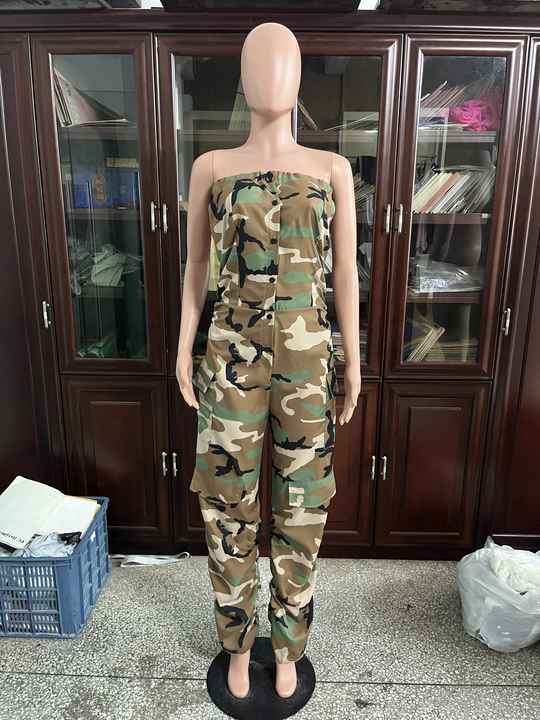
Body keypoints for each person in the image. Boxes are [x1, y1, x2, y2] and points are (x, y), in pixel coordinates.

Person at [176, 21, 361, 701]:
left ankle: (288, 649)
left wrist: (355, 361)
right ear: (243, 80)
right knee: (228, 506)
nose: (271, 74)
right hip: (231, 358)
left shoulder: (332, 169)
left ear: (300, 78)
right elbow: (196, 266)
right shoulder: (212, 167)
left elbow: (347, 276)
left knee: (302, 509)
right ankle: (235, 644)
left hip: (309, 365)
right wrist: (182, 345)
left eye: (283, 62)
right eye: (259, 62)